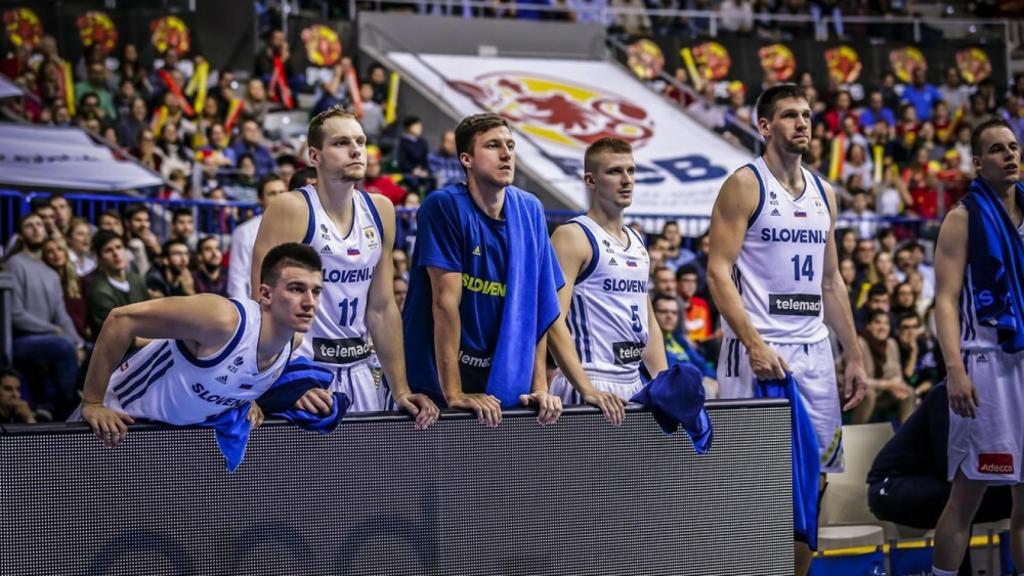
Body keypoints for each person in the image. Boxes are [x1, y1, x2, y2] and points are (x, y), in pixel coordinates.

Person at [706, 84, 867, 576]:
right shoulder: (744, 184)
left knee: (815, 478)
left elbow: (833, 282)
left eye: (807, 115)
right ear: (765, 126)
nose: (803, 123)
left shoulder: (825, 192)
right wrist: (753, 343)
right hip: (760, 349)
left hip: (814, 351)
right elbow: (717, 272)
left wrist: (855, 355)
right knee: (753, 482)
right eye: (791, 115)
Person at [251, 106, 438, 427]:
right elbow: (261, 304)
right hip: (302, 371)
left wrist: (401, 388)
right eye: (340, 143)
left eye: (361, 141)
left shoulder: (380, 209)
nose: (355, 150)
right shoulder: (291, 208)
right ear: (315, 156)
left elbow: (381, 307)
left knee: (365, 475)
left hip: (360, 370)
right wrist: (261, 388)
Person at [402, 113, 564, 427]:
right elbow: (444, 303)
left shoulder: (529, 210)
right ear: (467, 159)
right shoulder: (443, 206)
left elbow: (536, 307)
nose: (506, 154)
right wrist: (455, 393)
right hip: (441, 378)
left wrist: (540, 387)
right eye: (493, 145)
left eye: (510, 145)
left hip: (501, 375)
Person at [78, 243, 326, 447]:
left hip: (167, 440)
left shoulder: (292, 342)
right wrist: (92, 402)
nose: (309, 302)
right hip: (111, 424)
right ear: (266, 294)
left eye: (316, 292)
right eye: (296, 289)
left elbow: (237, 370)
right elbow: (120, 320)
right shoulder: (221, 319)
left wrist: (243, 398)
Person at [930, 118, 1024, 576]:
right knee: (969, 492)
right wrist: (955, 370)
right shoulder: (962, 218)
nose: (1009, 155)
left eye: (1013, 147)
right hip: (984, 362)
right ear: (977, 162)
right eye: (997, 149)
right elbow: (944, 301)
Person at [547, 137, 665, 420]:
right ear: (590, 180)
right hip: (588, 379)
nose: (626, 180)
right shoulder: (572, 235)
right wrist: (585, 388)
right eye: (614, 171)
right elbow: (551, 319)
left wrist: (664, 382)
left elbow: (648, 321)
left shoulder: (637, 240)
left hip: (633, 381)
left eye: (631, 171)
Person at [6, 213, 85, 420]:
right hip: (20, 340)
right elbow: (16, 314)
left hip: (50, 339)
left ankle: (58, 404)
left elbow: (62, 316)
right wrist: (56, 332)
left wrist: (78, 344)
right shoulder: (15, 264)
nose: (36, 228)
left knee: (89, 348)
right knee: (62, 345)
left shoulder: (50, 273)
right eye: (29, 225)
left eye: (39, 224)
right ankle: (68, 407)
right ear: (21, 235)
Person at [85, 231, 151, 338]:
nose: (116, 254)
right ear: (100, 258)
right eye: (108, 250)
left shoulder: (136, 280)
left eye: (119, 247)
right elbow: (115, 336)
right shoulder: (99, 291)